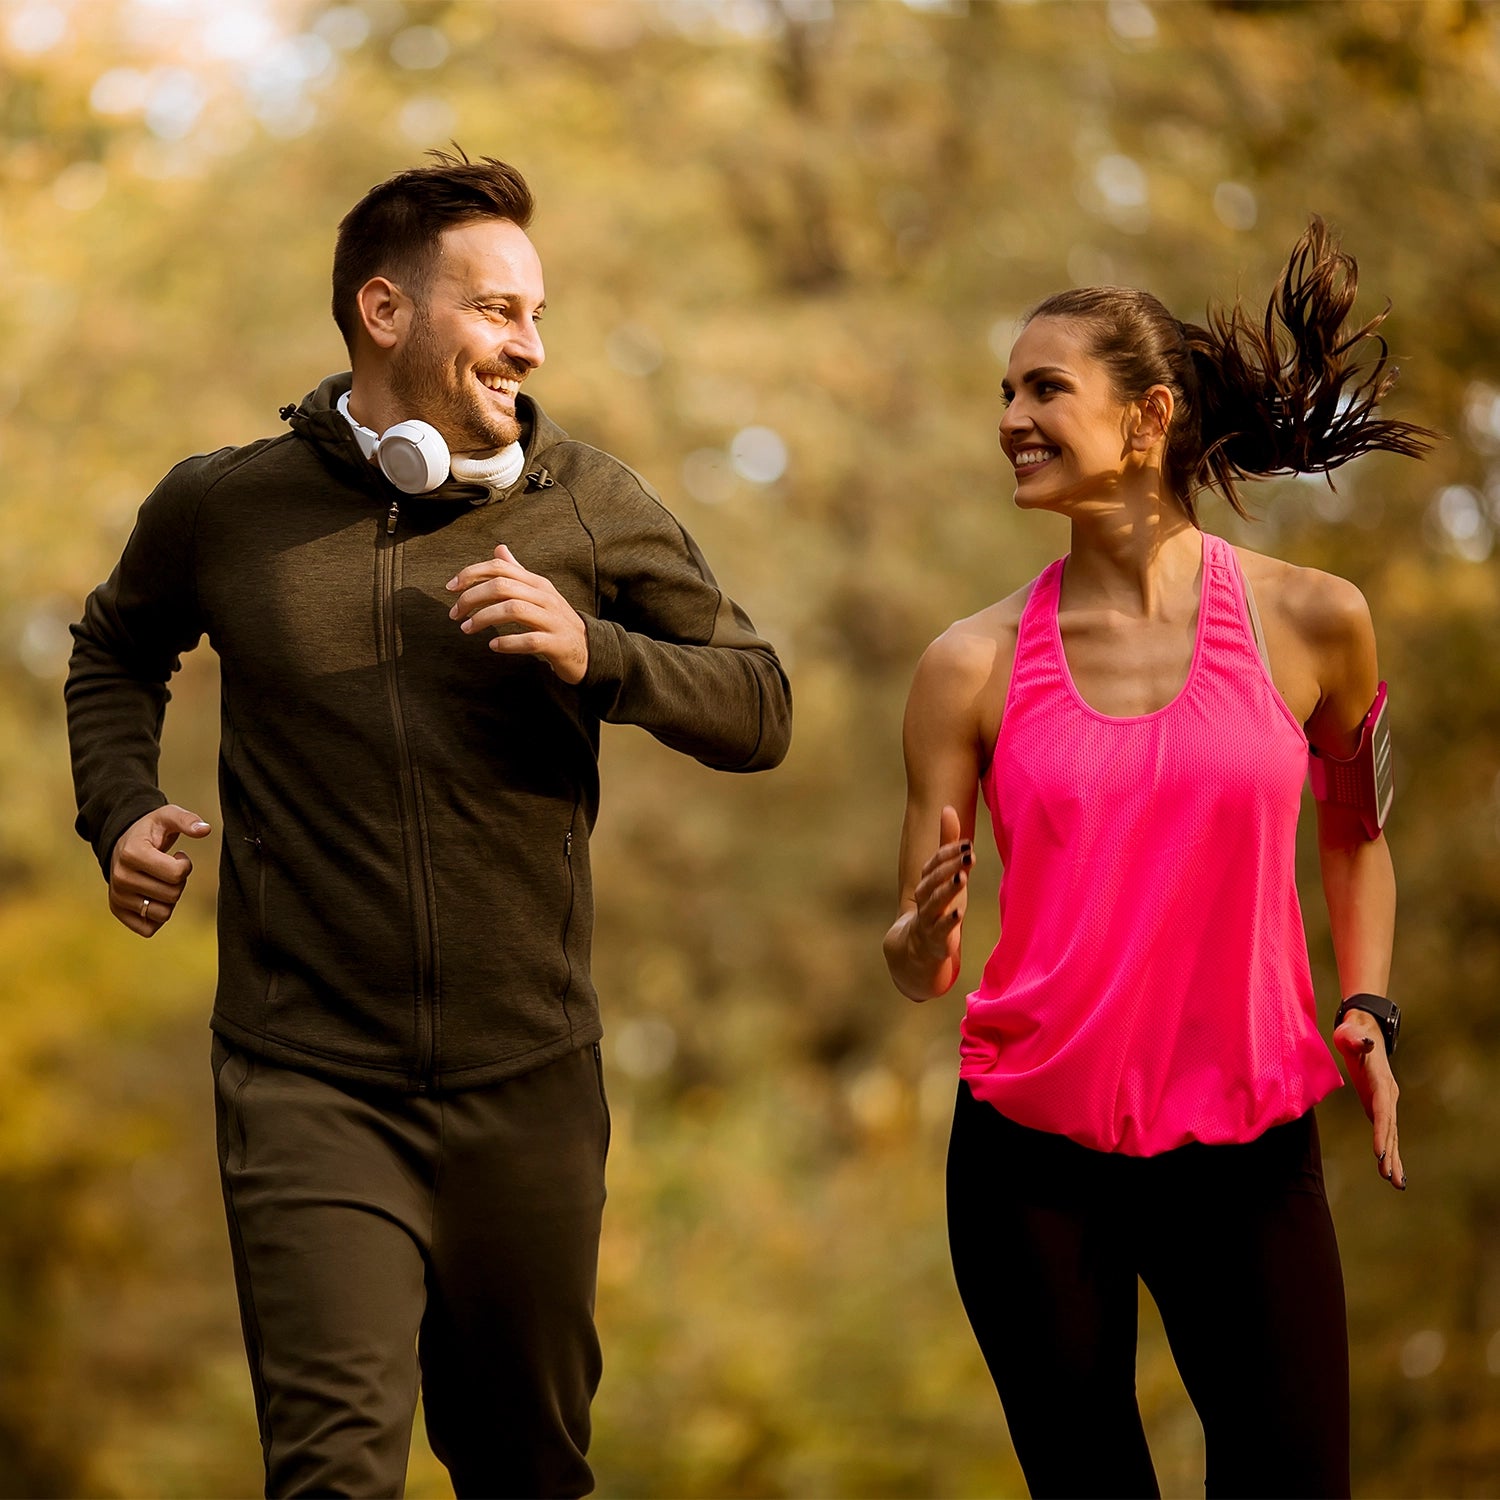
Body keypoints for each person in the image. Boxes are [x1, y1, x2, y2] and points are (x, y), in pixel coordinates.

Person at [65, 151, 791, 1499]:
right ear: (384, 311)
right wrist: (118, 803)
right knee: (333, 1473)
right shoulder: (226, 506)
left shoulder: (587, 503)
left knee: (528, 1470)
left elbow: (760, 707)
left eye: (536, 316)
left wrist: (598, 654)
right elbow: (114, 650)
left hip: (530, 1079)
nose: (527, 344)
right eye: (498, 309)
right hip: (306, 1079)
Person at [882, 217, 1433, 1499]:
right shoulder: (965, 665)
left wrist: (1366, 1004)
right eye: (1004, 393)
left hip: (1248, 1137)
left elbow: (1358, 835)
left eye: (1042, 389)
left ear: (1147, 417)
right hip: (1031, 1154)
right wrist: (915, 941)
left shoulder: (1314, 619)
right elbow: (921, 961)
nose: (1011, 416)